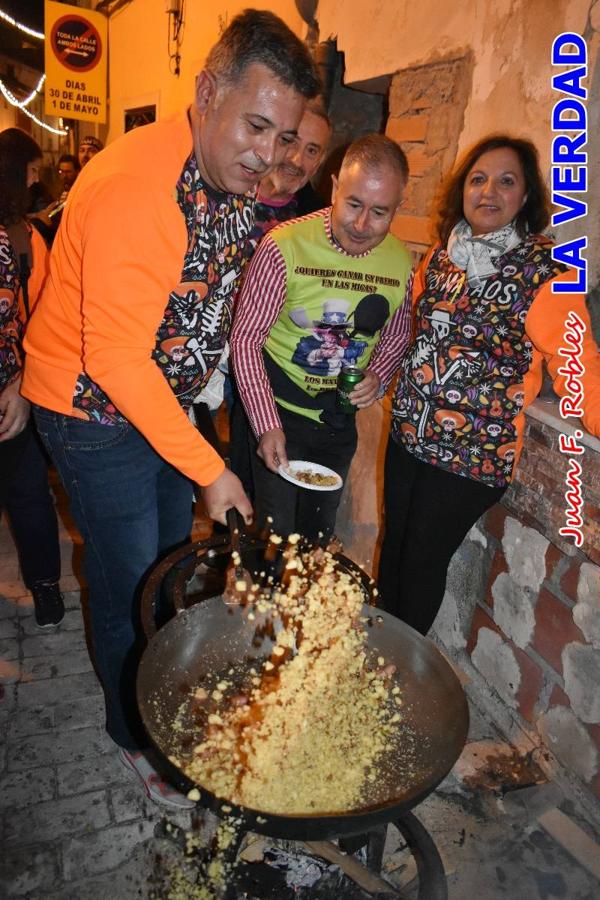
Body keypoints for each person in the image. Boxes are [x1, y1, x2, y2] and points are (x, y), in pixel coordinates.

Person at [22, 9, 320, 808]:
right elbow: (113, 357)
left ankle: (160, 691)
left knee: (162, 563)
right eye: (257, 126)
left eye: (285, 137)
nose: (269, 155)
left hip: (161, 403)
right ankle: (132, 737)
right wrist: (210, 466)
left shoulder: (225, 171)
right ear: (207, 92)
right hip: (90, 412)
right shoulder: (134, 188)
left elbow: (207, 299)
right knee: (128, 582)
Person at [377, 134, 600, 636]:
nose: (488, 191)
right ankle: (377, 646)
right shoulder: (442, 258)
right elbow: (414, 331)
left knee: (420, 563)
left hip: (471, 455)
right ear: (462, 190)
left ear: (526, 197)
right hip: (409, 435)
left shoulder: (547, 273)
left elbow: (578, 364)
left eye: (506, 181)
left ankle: (397, 668)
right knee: (393, 546)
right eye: (477, 179)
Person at [230, 133, 413, 543]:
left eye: (380, 212)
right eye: (353, 205)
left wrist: (377, 377)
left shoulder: (401, 263)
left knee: (315, 538)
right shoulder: (283, 246)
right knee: (272, 537)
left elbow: (398, 334)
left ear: (399, 207)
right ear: (334, 188)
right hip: (277, 413)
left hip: (336, 425)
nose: (363, 225)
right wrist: (265, 425)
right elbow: (245, 340)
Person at [226, 100, 332, 495]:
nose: (297, 159)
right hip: (203, 352)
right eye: (293, 141)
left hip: (263, 365)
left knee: (249, 472)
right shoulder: (230, 193)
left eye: (312, 151)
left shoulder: (321, 219)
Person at [0, 127, 64, 628]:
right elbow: (42, 314)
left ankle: (44, 586)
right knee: (27, 494)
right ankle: (44, 588)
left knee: (26, 494)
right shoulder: (24, 236)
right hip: (12, 391)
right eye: (33, 170)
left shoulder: (24, 235)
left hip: (11, 391)